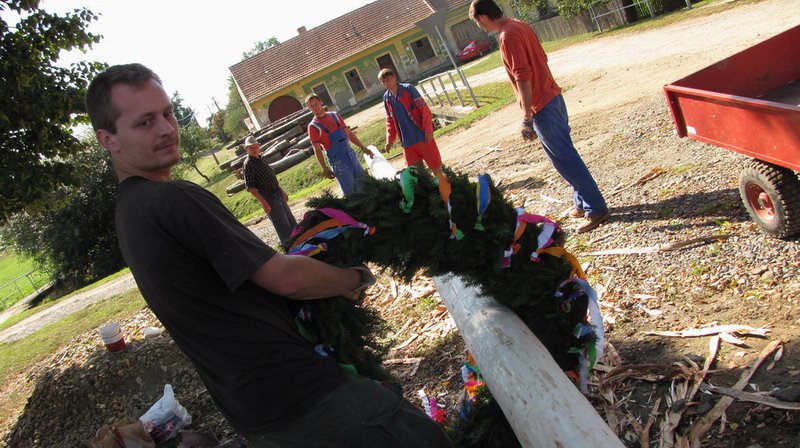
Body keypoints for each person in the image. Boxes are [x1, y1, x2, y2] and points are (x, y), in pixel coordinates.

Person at [86, 63, 452, 448]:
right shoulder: (175, 200)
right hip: (301, 393)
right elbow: (284, 278)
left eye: (167, 114)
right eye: (145, 122)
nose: (166, 129)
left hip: (254, 410)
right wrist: (353, 279)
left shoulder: (128, 213)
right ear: (107, 139)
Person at [469, 0, 611, 233]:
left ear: (483, 17)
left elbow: (522, 76)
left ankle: (596, 208)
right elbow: (541, 59)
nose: (480, 27)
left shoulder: (507, 36)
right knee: (562, 155)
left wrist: (526, 116)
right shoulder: (520, 25)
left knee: (565, 158)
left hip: (542, 106)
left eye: (477, 22)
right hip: (553, 98)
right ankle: (581, 203)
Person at [305, 94, 370, 195]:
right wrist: (324, 168)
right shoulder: (313, 126)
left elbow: (348, 133)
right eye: (312, 106)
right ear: (309, 108)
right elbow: (317, 150)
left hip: (350, 154)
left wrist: (362, 147)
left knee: (365, 183)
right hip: (337, 160)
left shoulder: (335, 115)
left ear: (321, 102)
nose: (315, 107)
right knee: (350, 190)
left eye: (316, 104)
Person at [242, 135, 297, 245]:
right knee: (283, 226)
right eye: (251, 147)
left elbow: (271, 177)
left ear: (259, 146)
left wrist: (282, 191)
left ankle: (302, 243)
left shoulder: (261, 158)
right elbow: (251, 188)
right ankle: (291, 248)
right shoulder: (248, 164)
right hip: (268, 196)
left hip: (277, 192)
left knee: (291, 221)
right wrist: (264, 202)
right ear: (246, 149)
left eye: (255, 146)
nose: (254, 149)